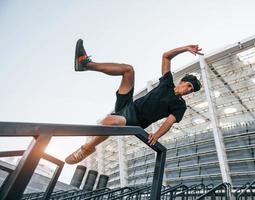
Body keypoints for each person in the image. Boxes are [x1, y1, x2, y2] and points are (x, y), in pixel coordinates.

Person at [65, 39, 202, 164]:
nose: (189, 90)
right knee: (128, 70)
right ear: (182, 81)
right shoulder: (167, 83)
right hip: (129, 105)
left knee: (109, 121)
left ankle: (87, 148)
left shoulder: (180, 105)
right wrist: (185, 48)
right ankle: (86, 64)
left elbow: (169, 122)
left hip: (135, 120)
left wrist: (157, 135)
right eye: (189, 86)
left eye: (192, 90)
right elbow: (166, 56)